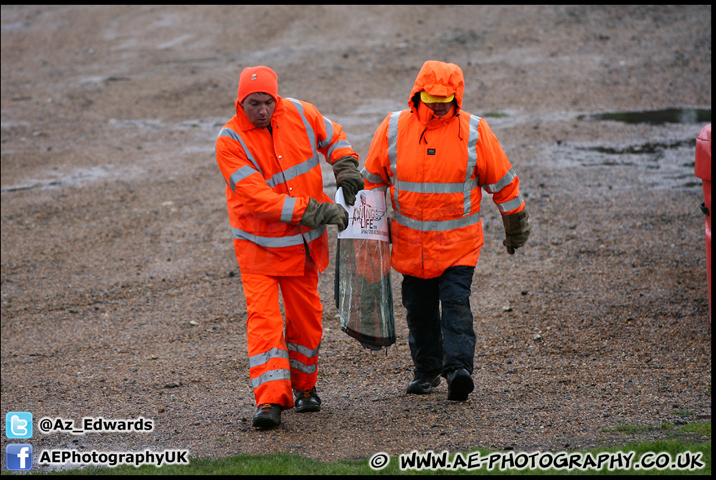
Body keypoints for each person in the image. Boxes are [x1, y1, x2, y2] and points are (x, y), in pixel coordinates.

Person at [361, 60, 530, 401]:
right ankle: (426, 372)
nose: (438, 103)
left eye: (445, 97)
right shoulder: (393, 128)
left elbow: (504, 183)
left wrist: (515, 224)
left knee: (455, 304)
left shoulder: (475, 131)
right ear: (417, 93)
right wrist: (369, 235)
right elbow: (373, 182)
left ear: (457, 95)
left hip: (458, 246)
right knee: (419, 311)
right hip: (411, 248)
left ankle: (458, 371)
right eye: (431, 96)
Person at [215, 66, 364, 429]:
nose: (262, 110)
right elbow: (258, 200)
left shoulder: (299, 111)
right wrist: (316, 211)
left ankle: (305, 390)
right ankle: (270, 402)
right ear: (241, 102)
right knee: (265, 325)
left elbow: (334, 136)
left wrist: (346, 165)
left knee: (307, 324)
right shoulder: (230, 141)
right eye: (254, 103)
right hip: (260, 252)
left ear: (276, 99)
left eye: (268, 101)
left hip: (302, 248)